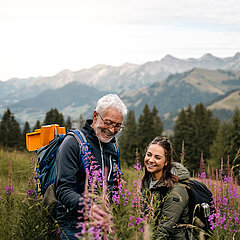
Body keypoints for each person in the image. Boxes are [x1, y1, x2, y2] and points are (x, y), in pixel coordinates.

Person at [55, 94, 127, 239]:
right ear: (95, 116)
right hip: (74, 225)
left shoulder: (113, 146)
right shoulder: (73, 143)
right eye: (108, 122)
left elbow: (113, 183)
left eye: (118, 125)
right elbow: (62, 190)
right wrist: (89, 207)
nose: (112, 130)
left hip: (103, 223)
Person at [141, 137, 194, 240]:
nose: (151, 160)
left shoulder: (176, 190)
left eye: (157, 157)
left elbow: (164, 230)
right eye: (149, 155)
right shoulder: (148, 182)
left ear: (166, 162)